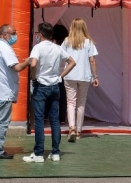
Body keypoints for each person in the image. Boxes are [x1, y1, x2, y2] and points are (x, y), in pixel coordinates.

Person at [23, 22, 76, 163]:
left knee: (39, 120)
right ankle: (55, 152)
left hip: (41, 85)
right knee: (55, 120)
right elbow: (72, 62)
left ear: (40, 34)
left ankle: (39, 153)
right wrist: (60, 76)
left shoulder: (38, 47)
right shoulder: (58, 48)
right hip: (54, 85)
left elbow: (33, 63)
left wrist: (34, 77)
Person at [0, 24, 30, 159]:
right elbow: (16, 67)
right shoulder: (5, 48)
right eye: (13, 33)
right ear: (4, 35)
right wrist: (28, 62)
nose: (15, 36)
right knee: (2, 122)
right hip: (2, 91)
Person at [61, 18, 99, 143]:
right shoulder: (88, 42)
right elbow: (92, 61)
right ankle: (78, 131)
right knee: (81, 103)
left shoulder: (67, 41)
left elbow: (61, 56)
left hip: (69, 75)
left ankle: (71, 128)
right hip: (84, 75)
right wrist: (95, 76)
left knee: (70, 102)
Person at [51, 24, 69, 124]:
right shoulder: (67, 44)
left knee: (50, 96)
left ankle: (46, 115)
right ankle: (62, 117)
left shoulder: (52, 45)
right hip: (65, 73)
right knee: (63, 96)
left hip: (53, 73)